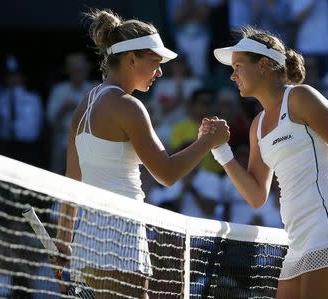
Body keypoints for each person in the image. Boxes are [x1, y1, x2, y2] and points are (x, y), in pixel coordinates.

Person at [204, 26, 328, 299]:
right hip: (298, 242)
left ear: (264, 65)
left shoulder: (303, 97)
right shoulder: (257, 126)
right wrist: (221, 150)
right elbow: (256, 195)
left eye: (238, 66)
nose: (232, 75)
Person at [53, 9, 229, 299]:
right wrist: (208, 141)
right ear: (132, 58)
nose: (160, 72)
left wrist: (63, 241)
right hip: (120, 242)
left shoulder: (84, 103)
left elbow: (71, 184)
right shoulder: (128, 106)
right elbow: (167, 174)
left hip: (87, 245)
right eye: (155, 62)